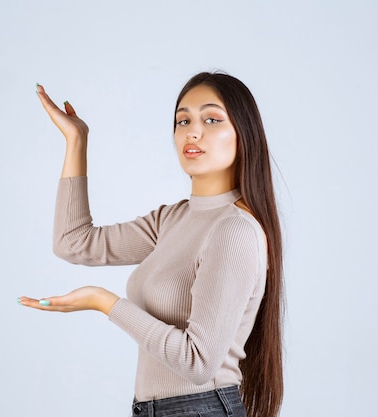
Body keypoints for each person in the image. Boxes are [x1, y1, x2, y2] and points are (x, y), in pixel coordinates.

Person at [19, 72, 284, 417]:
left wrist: (104, 301)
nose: (193, 131)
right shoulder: (172, 220)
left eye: (212, 119)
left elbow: (198, 361)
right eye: (183, 120)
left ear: (243, 135)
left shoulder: (234, 230)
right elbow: (74, 242)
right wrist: (76, 141)